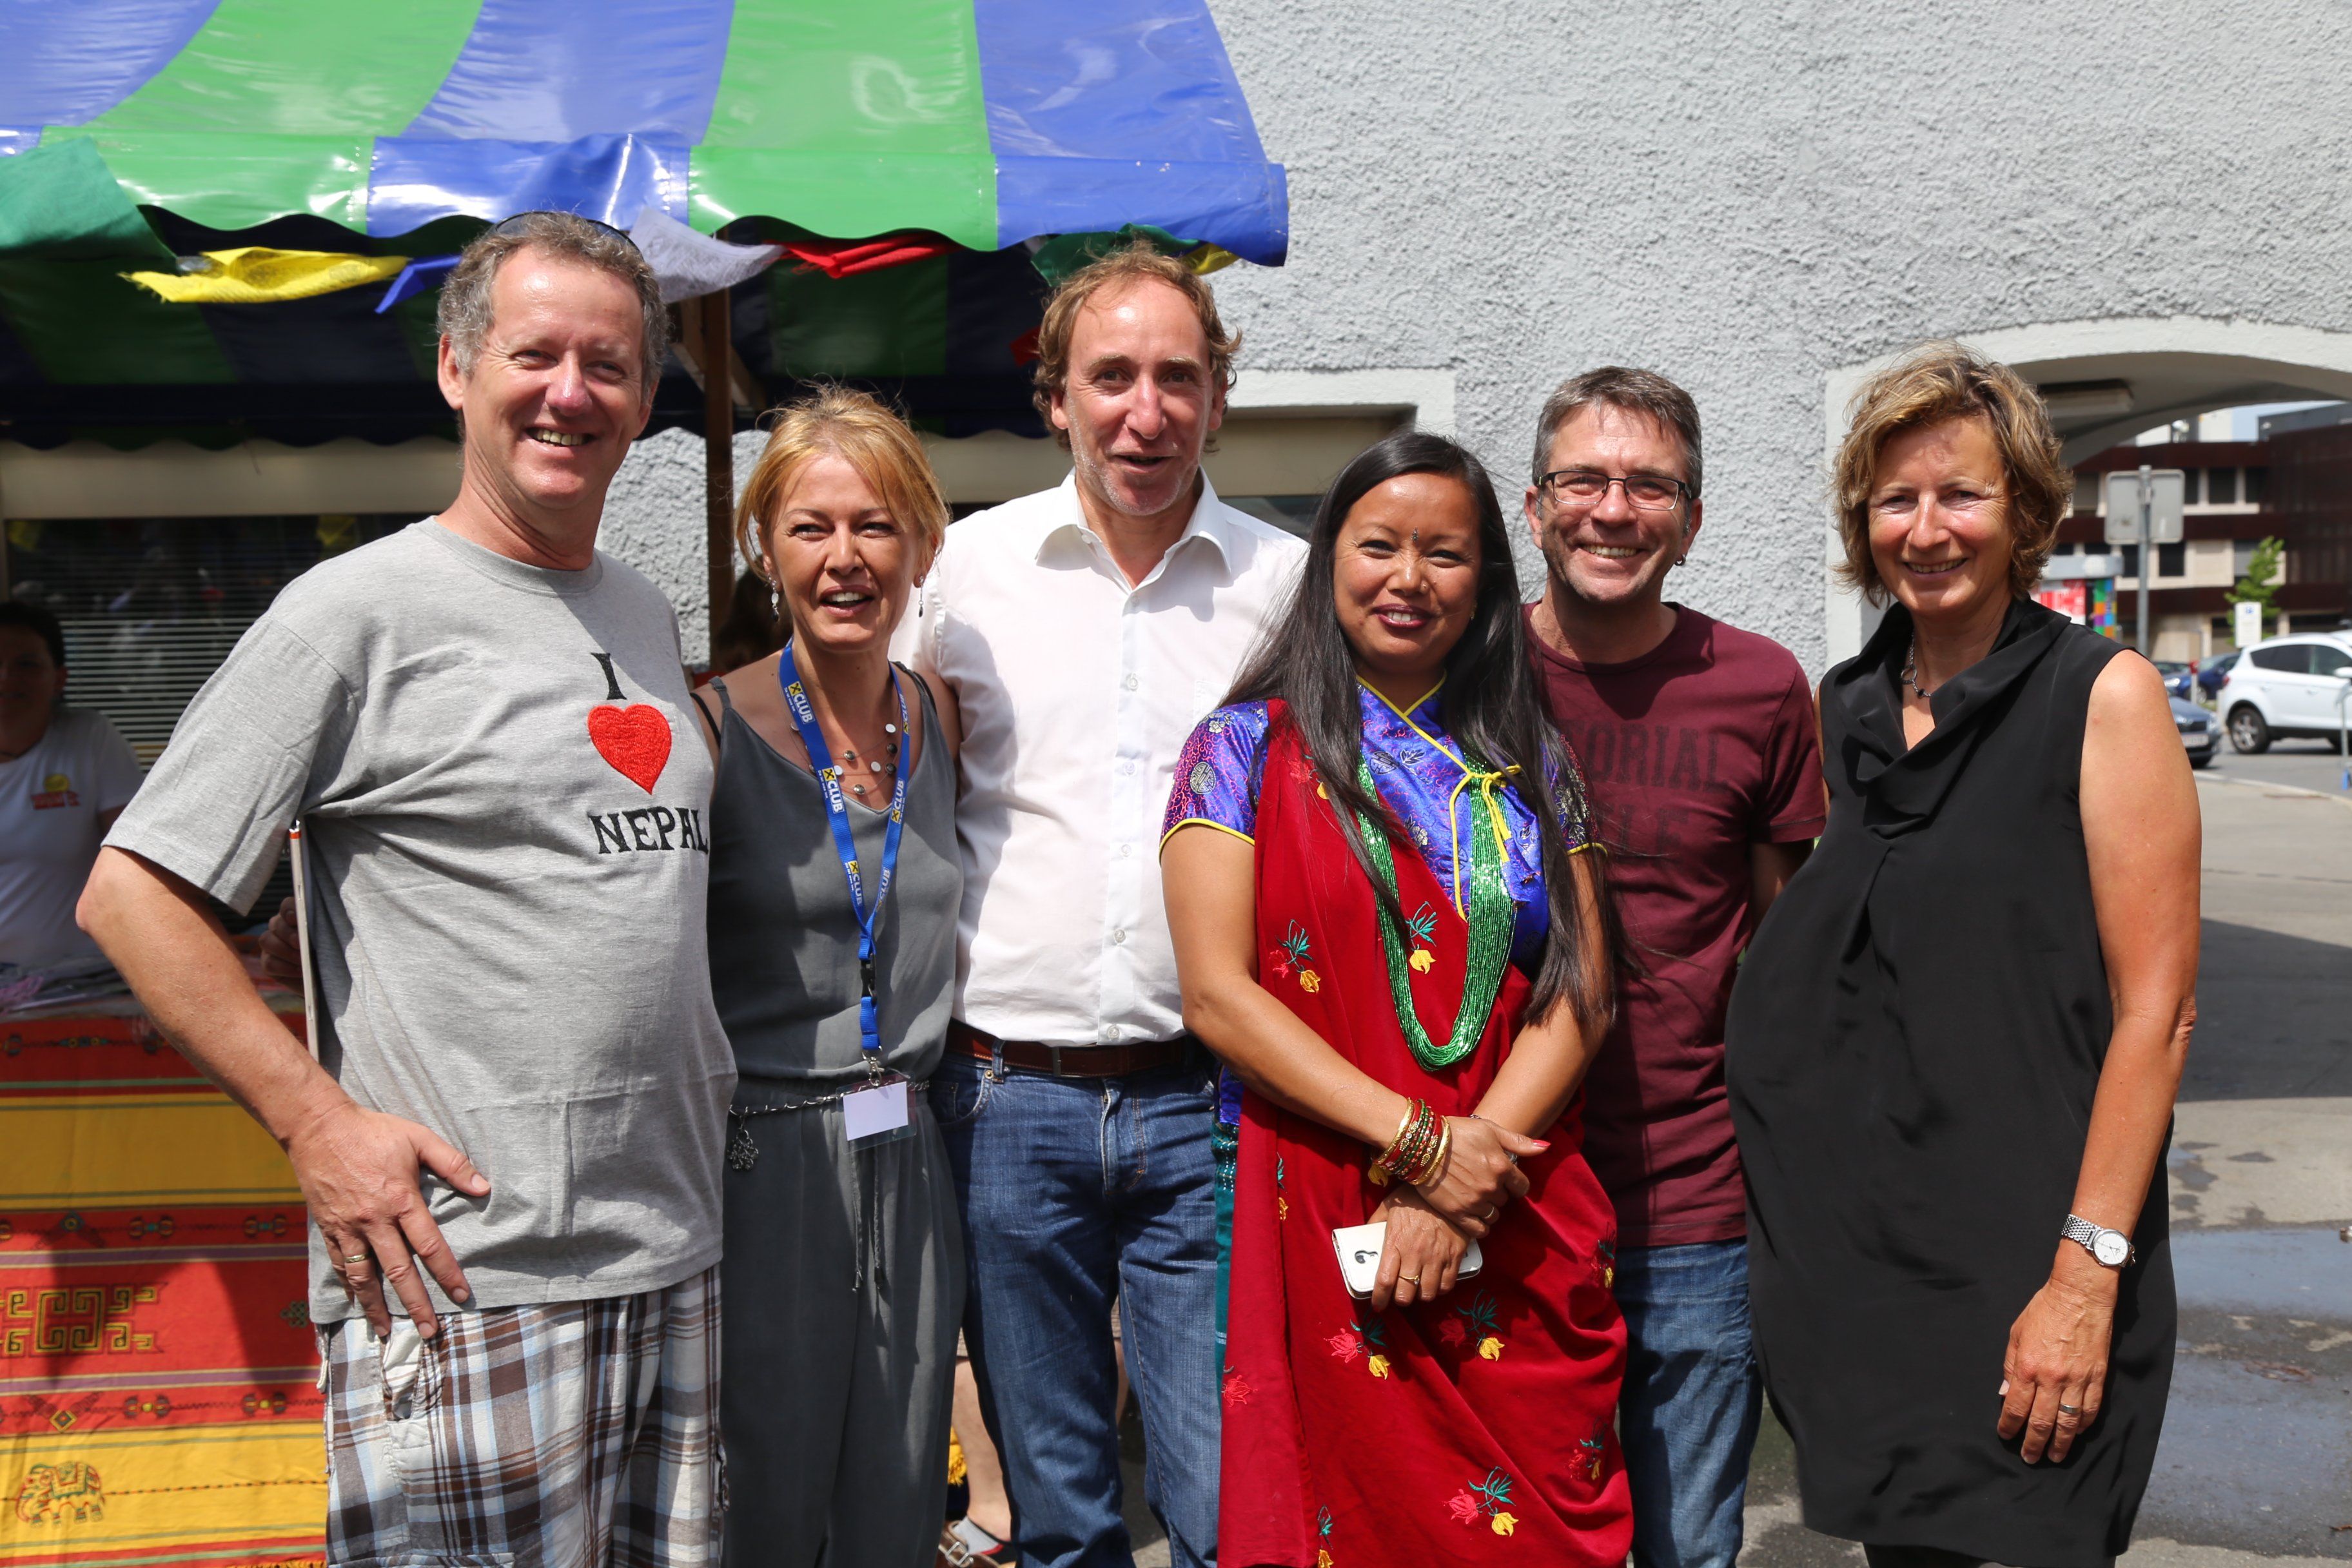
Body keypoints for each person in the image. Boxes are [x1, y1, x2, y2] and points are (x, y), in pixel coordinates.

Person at [78, 211, 732, 1564]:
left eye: (607, 365)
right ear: (455, 369)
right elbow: (132, 896)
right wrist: (315, 1122)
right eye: (534, 354)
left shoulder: (641, 611)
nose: (569, 393)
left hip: (666, 1245)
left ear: (644, 398)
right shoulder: (352, 613)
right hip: (465, 1273)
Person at [1726, 343, 2197, 1568]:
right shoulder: (1845, 706)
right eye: (1896, 499)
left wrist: (2084, 1278)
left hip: (2041, 1258)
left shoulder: (2104, 696)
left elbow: (2156, 1013)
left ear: (2025, 511)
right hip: (1872, 1273)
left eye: (1961, 494)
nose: (1926, 529)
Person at [1164, 431, 1632, 1564]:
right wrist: (1421, 1147)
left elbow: (1582, 990)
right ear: (1330, 558)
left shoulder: (1533, 760)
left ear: (1485, 582)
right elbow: (1217, 997)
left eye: (1445, 554)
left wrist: (1459, 1186)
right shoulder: (1239, 751)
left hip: (1514, 1202)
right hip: (1320, 1194)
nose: (1408, 579)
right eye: (1379, 546)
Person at [906, 242, 1306, 1568]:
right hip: (1006, 1098)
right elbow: (887, 782)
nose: (1147, 411)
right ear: (1056, 397)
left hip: (1211, 1100)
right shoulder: (965, 572)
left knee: (1224, 1501)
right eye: (1113, 376)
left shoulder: (1286, 587)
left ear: (1218, 397)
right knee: (1062, 1510)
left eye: (1177, 377)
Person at [1517, 368, 1825, 1567]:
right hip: (1504, 1192)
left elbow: (1786, 961)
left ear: (1691, 523)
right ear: (1532, 507)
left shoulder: (1760, 687)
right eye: (1584, 480)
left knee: (1685, 1549)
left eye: (1649, 486)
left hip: (1690, 1207)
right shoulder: (1462, 676)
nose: (1613, 509)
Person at [687, 387, 963, 1567]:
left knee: (900, 1495)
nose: (844, 557)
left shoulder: (938, 715)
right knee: (769, 1500)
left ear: (921, 546)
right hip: (767, 1164)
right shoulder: (709, 732)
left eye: (874, 525)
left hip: (910, 1151)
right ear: (768, 548)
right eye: (811, 527)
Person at [0, 602, 142, 970]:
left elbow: (138, 866)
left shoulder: (89, 738)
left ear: (59, 678)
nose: (6, 677)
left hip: (77, 979)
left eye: (26, 664)